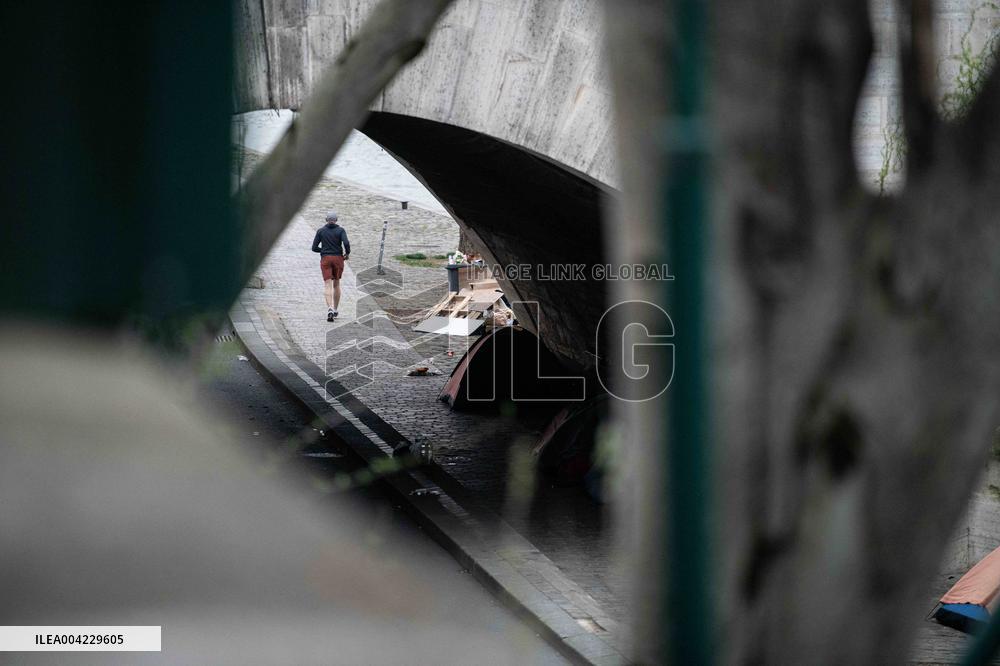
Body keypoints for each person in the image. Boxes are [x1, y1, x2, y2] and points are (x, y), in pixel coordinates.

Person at [311, 211, 350, 321]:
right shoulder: (341, 230)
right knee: (336, 284)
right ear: (336, 220)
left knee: (327, 284)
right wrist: (347, 253)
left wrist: (323, 250)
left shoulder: (321, 231)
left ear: (326, 220)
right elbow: (346, 243)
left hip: (326, 259)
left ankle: (330, 308)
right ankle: (336, 309)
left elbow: (314, 248)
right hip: (338, 258)